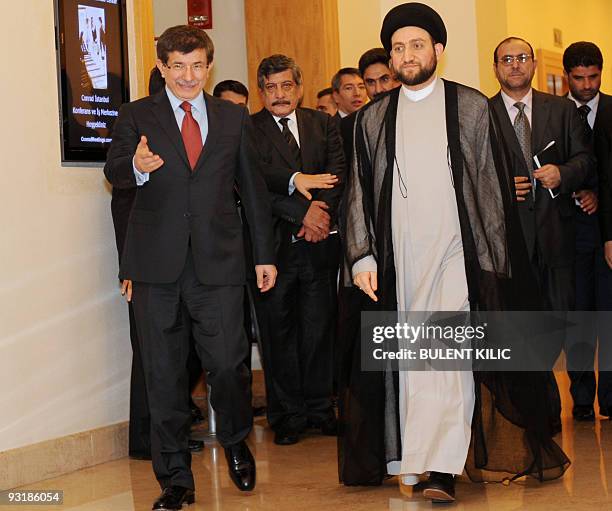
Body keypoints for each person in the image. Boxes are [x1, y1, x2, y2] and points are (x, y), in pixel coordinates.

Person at [341, 3, 569, 502]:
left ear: (438, 50)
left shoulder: (469, 107)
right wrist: (362, 256)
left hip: (456, 256)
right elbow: (357, 190)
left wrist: (492, 261)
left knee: (449, 358)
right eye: (398, 48)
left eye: (416, 45)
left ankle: (441, 466)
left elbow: (491, 187)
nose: (406, 55)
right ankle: (413, 458)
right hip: (401, 261)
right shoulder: (372, 119)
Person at [104, 25, 276, 511]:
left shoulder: (231, 118)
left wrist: (263, 255)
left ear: (208, 66)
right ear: (162, 68)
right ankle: (175, 479)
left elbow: (254, 193)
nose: (188, 75)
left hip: (219, 264)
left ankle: (236, 438)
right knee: (163, 376)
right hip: (156, 268)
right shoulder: (137, 114)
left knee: (227, 364)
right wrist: (136, 166)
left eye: (197, 65)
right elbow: (114, 172)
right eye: (177, 66)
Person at [251, 54, 345, 446]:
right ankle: (287, 415)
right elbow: (253, 184)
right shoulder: (247, 129)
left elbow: (338, 174)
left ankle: (320, 409)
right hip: (273, 250)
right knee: (278, 334)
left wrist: (319, 216)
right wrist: (302, 213)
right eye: (270, 88)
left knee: (320, 330)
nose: (279, 95)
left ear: (300, 88)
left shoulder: (322, 124)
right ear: (261, 92)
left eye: (286, 86)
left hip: (320, 245)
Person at [562, 41, 612, 420]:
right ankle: (581, 399)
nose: (587, 85)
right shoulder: (554, 113)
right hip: (570, 230)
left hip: (608, 230)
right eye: (579, 78)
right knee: (578, 315)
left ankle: (610, 399)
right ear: (568, 76)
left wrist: (598, 193)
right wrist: (578, 188)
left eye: (593, 77)